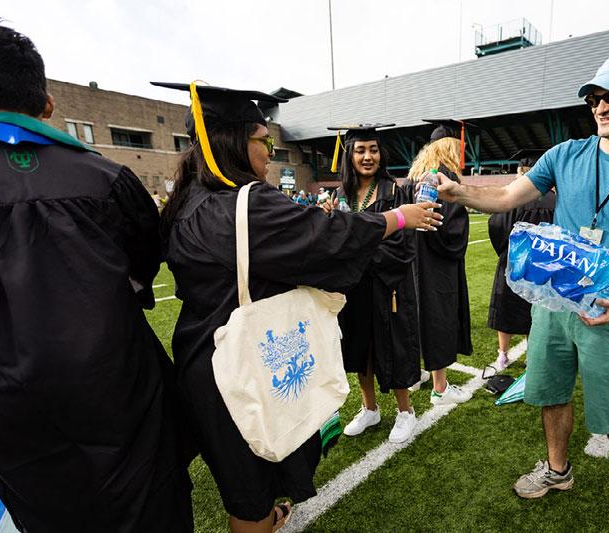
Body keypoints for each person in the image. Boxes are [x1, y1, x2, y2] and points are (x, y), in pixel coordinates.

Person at [154, 82, 440, 533]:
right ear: (231, 141)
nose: (269, 151)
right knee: (250, 487)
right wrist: (396, 218)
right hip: (245, 363)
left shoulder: (185, 201)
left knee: (241, 475)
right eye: (262, 140)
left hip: (201, 358)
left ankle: (266, 515)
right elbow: (324, 239)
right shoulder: (246, 205)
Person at [437, 50, 609, 522]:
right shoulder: (565, 154)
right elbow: (507, 196)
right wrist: (461, 192)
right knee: (551, 391)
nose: (601, 106)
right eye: (595, 98)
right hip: (553, 302)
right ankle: (558, 469)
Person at [0, 19, 194, 532]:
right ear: (49, 104)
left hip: (9, 408)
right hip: (118, 389)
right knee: (151, 508)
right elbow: (143, 267)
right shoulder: (106, 178)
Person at [320, 124, 420, 443]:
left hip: (387, 285)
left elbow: (404, 244)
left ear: (381, 154)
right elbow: (335, 241)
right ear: (349, 155)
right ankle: (370, 408)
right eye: (360, 150)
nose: (367, 156)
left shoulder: (394, 191)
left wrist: (358, 252)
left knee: (393, 346)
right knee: (359, 348)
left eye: (373, 150)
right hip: (353, 289)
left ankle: (406, 412)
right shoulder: (341, 196)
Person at [405, 119, 473, 404]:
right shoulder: (446, 180)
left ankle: (413, 375)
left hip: (411, 262)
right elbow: (451, 231)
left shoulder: (412, 178)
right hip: (437, 264)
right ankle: (440, 388)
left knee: (414, 315)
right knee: (438, 318)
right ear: (450, 148)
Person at [487, 157, 555, 370]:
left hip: (513, 263)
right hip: (543, 267)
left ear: (521, 172)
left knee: (506, 308)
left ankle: (502, 355)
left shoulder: (515, 197)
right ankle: (532, 356)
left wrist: (505, 252)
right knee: (535, 309)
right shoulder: (555, 200)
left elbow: (497, 226)